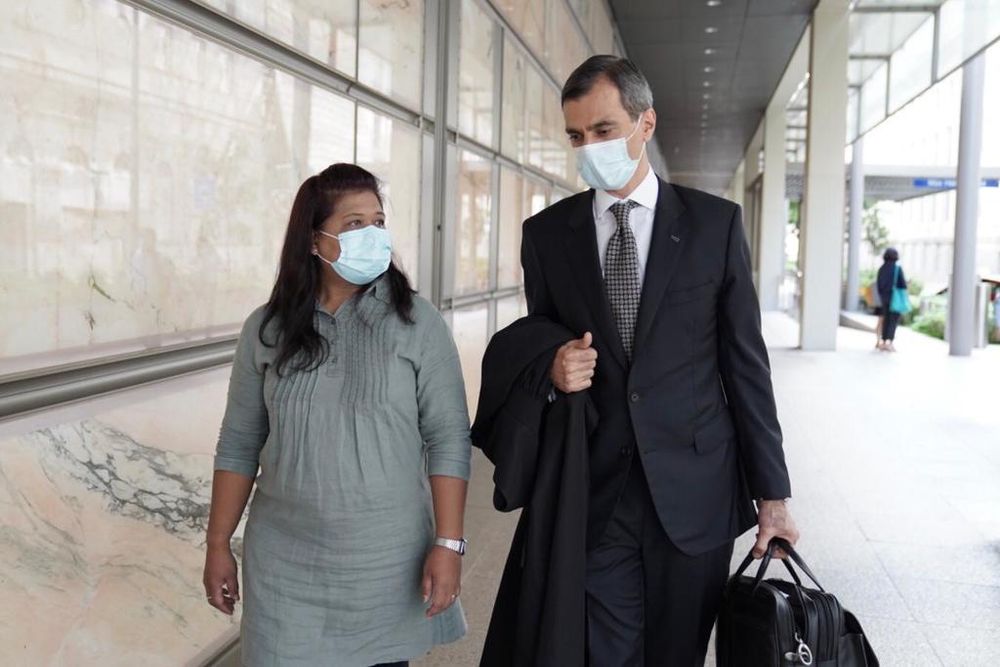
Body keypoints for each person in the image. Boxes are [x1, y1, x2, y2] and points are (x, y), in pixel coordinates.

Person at [487, 56, 799, 665]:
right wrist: (553, 365)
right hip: (596, 491)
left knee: (677, 653)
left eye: (603, 130)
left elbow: (746, 367)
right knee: (607, 652)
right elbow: (542, 335)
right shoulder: (547, 236)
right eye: (576, 136)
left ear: (645, 123)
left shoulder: (713, 225)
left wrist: (774, 497)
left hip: (695, 493)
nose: (589, 147)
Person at [203, 164, 472, 667]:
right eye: (353, 224)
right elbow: (238, 443)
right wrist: (218, 542)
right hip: (286, 567)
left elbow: (449, 438)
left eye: (378, 221)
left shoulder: (418, 322)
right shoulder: (267, 330)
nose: (372, 235)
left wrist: (449, 544)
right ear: (313, 240)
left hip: (387, 564)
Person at [876, 247, 907, 352]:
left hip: (884, 299)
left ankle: (883, 341)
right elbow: (903, 285)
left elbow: (878, 285)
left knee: (885, 320)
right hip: (895, 299)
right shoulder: (897, 269)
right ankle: (889, 342)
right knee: (893, 321)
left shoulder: (881, 269)